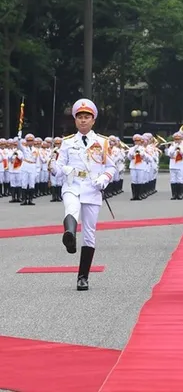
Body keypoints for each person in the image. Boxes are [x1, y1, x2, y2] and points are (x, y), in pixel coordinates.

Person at [49, 98, 117, 291]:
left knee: (89, 233)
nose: (83, 120)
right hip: (72, 185)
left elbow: (112, 167)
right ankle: (69, 234)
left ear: (93, 120)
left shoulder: (103, 142)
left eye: (87, 117)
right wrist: (54, 167)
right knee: (71, 207)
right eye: (80, 117)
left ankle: (83, 277)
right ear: (75, 120)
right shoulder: (67, 142)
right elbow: (59, 168)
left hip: (93, 189)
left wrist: (104, 179)